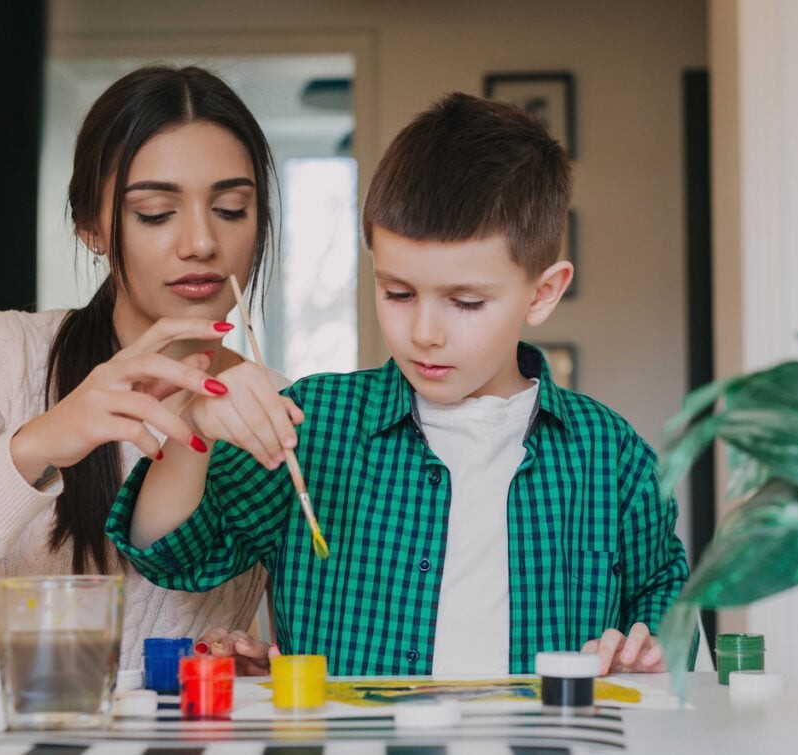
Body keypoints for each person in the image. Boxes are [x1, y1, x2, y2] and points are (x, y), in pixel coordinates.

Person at [106, 92, 690, 677]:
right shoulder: (316, 424)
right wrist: (194, 432)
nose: (425, 333)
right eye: (398, 293)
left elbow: (670, 615)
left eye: (465, 302)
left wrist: (648, 652)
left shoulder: (611, 456)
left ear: (542, 292)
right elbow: (169, 552)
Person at [0, 65, 287, 675]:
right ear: (91, 227)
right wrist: (36, 445)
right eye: (155, 213)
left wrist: (253, 674)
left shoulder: (271, 410)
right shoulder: (9, 358)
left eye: (230, 208)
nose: (201, 242)